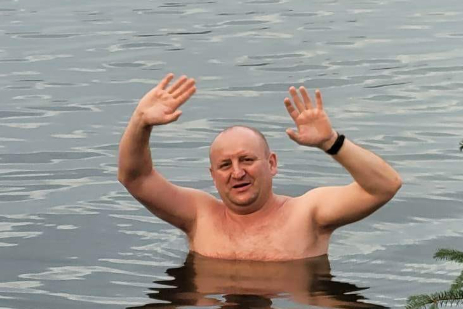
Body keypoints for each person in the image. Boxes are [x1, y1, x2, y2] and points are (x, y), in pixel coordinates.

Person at [117, 74, 402, 260]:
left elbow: (384, 186)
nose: (237, 172)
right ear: (213, 176)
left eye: (247, 160)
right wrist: (140, 122)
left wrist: (331, 141)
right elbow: (135, 177)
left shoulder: (307, 214)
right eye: (225, 165)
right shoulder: (198, 215)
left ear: (272, 164)